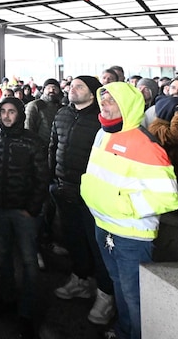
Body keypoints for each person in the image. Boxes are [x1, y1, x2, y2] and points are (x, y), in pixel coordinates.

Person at [80, 82, 178, 339]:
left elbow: (168, 198)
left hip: (131, 236)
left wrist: (122, 205)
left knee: (134, 296)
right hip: (103, 225)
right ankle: (125, 331)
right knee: (120, 287)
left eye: (112, 100)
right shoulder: (103, 133)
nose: (104, 103)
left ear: (128, 105)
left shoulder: (147, 145)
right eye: (103, 99)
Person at [49, 75, 116, 327]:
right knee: (74, 238)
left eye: (79, 86)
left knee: (98, 244)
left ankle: (105, 294)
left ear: (93, 93)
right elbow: (53, 146)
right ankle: (80, 279)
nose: (71, 89)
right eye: (71, 85)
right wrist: (52, 180)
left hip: (91, 192)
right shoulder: (62, 114)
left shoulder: (103, 119)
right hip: (63, 187)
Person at [0, 97, 50, 338]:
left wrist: (30, 208)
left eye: (12, 112)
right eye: (3, 112)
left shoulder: (33, 142)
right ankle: (7, 298)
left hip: (23, 213)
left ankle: (27, 313)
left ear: (20, 114)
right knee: (4, 254)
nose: (7, 116)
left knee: (30, 262)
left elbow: (42, 178)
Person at [25, 78, 62, 142]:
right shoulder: (35, 105)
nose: (51, 90)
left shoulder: (61, 108)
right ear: (43, 90)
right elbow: (28, 127)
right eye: (48, 88)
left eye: (54, 88)